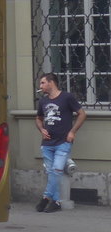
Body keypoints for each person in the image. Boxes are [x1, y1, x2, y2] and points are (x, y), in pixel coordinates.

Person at [34, 73, 85, 213]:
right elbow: (38, 118)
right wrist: (41, 129)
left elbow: (82, 114)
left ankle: (46, 197)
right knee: (51, 172)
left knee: (56, 170)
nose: (41, 86)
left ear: (51, 82)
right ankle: (55, 201)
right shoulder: (43, 101)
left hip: (63, 141)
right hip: (47, 143)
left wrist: (72, 131)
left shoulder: (67, 97)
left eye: (43, 83)